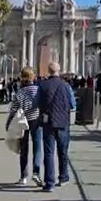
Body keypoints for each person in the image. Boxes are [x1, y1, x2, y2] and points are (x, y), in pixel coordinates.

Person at [36, 61, 74, 192]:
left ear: (48, 71)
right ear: (59, 70)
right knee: (63, 151)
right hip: (63, 123)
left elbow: (37, 103)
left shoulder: (43, 85)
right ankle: (63, 177)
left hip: (48, 122)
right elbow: (72, 104)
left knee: (49, 153)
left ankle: (49, 183)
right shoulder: (66, 86)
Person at [6, 66, 42, 186]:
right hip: (36, 120)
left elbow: (14, 109)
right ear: (33, 77)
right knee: (37, 148)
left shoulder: (20, 92)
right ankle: (36, 172)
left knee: (24, 149)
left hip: (23, 121)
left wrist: (8, 122)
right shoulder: (38, 90)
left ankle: (23, 176)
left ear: (22, 78)